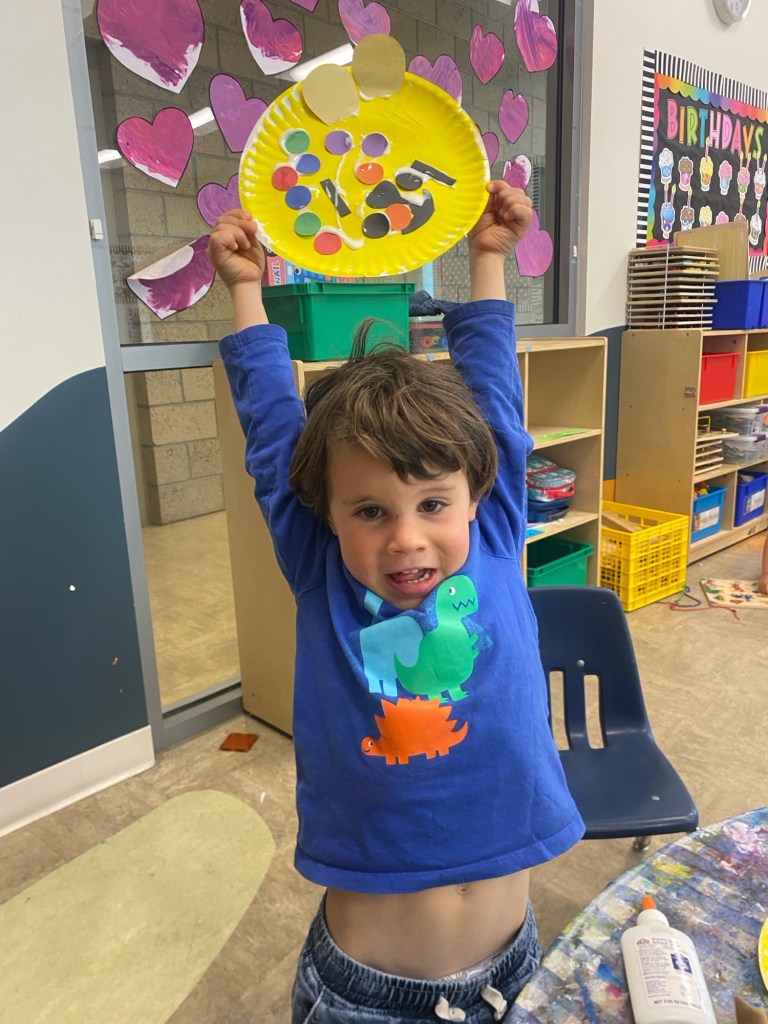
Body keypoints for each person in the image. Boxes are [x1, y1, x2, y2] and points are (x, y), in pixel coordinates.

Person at [208, 181, 584, 1024]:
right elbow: (272, 436)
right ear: (327, 514)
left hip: (515, 969)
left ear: (477, 494)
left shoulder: (495, 534)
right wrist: (247, 289)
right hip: (365, 998)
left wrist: (487, 258)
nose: (407, 539)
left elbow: (496, 405)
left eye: (432, 504)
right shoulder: (322, 569)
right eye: (371, 512)